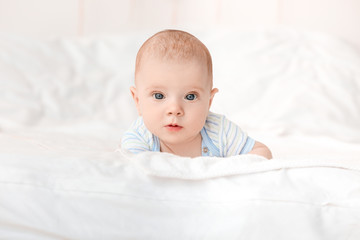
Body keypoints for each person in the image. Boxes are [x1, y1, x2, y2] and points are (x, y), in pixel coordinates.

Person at [121, 29, 272, 159]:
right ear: (137, 100)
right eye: (159, 96)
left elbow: (262, 152)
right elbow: (135, 176)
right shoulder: (138, 139)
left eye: (190, 96)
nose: (174, 109)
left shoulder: (219, 131)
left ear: (209, 101)